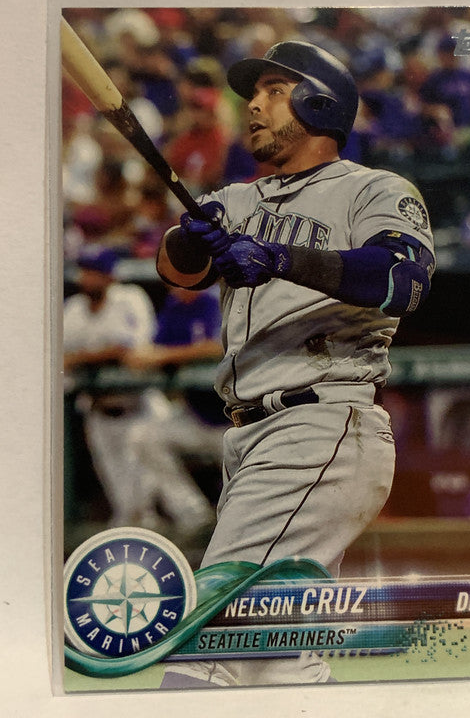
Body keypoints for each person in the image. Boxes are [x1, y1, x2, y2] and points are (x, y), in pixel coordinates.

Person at [155, 41, 436, 688]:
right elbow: (176, 270)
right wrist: (191, 237)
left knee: (205, 645)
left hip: (320, 424)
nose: (253, 105)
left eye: (275, 91)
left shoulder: (372, 188)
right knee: (276, 662)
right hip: (251, 437)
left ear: (320, 102)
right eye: (253, 94)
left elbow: (404, 279)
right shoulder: (234, 199)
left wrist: (279, 258)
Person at [63, 246, 211, 531]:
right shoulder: (73, 310)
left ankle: (196, 526)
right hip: (98, 413)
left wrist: (82, 358)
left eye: (95, 272)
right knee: (128, 510)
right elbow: (60, 359)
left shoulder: (129, 298)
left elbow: (134, 351)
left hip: (139, 407)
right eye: (85, 272)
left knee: (147, 499)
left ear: (110, 276)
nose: (88, 278)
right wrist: (97, 355)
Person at [124, 285, 226, 536]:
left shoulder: (217, 299)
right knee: (145, 437)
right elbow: (148, 352)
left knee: (242, 498)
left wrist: (166, 356)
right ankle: (193, 515)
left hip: (235, 423)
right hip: (196, 417)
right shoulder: (175, 307)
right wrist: (145, 356)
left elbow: (219, 346)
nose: (177, 283)